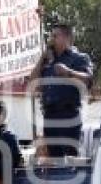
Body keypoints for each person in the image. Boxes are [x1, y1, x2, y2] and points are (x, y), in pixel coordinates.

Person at [29, 23, 93, 157]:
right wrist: (42, 59)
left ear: (67, 37)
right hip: (50, 115)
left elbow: (88, 79)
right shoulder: (48, 61)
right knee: (54, 158)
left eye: (55, 36)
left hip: (68, 114)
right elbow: (33, 82)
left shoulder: (79, 58)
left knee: (69, 157)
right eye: (51, 36)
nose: (51, 39)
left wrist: (68, 72)